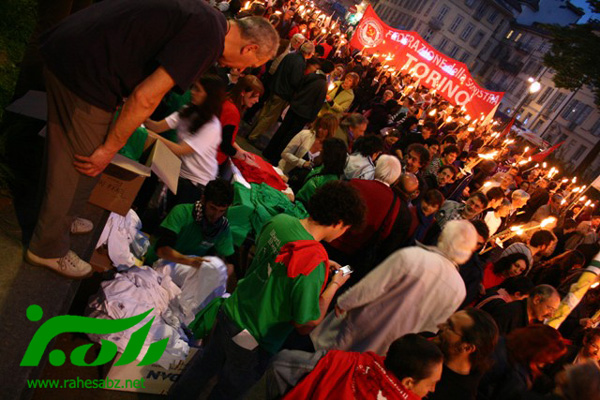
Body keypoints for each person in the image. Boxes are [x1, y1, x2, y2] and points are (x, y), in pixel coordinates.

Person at [26, 0, 279, 278]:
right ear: (249, 48)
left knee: (72, 156)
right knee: (85, 164)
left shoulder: (211, 20)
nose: (241, 70)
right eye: (249, 65)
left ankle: (59, 220)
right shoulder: (208, 38)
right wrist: (110, 148)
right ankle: (48, 247)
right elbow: (146, 96)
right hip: (88, 72)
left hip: (78, 51)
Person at [170, 181, 366, 399]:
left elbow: (277, 257)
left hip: (231, 310)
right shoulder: (314, 259)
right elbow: (306, 323)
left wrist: (321, 265)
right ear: (339, 223)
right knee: (227, 392)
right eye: (346, 228)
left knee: (201, 368)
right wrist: (335, 284)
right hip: (255, 338)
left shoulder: (280, 221)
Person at [310, 220, 478, 355]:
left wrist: (345, 302)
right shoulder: (459, 289)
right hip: (395, 345)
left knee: (326, 359)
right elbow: (433, 327)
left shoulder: (413, 256)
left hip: (364, 323)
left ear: (443, 237)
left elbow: (371, 286)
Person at [261, 334, 444, 400]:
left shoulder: (344, 363)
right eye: (431, 383)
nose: (433, 389)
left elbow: (282, 363)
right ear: (408, 382)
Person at [144, 75, 226, 207]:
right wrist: (140, 116)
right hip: (181, 173)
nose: (192, 92)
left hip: (197, 181)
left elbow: (180, 150)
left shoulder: (212, 126)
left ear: (210, 96)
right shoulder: (188, 111)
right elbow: (157, 127)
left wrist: (149, 134)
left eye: (198, 90)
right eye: (194, 87)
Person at [325, 155, 403, 280]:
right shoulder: (395, 202)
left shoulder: (355, 183)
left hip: (331, 241)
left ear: (377, 168)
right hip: (355, 257)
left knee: (317, 271)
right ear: (396, 178)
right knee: (337, 280)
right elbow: (384, 232)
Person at [144, 179, 234, 266]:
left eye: (221, 211)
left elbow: (230, 262)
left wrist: (225, 268)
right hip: (157, 265)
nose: (215, 215)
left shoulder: (222, 227)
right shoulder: (182, 212)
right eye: (212, 208)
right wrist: (189, 261)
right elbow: (162, 250)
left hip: (188, 271)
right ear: (203, 199)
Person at [264, 61, 335, 166]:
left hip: (294, 106)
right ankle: (276, 157)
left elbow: (298, 88)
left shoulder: (311, 75)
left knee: (283, 129)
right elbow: (318, 103)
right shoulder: (323, 84)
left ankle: (268, 151)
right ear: (329, 72)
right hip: (304, 113)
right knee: (290, 136)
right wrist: (312, 118)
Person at [248, 41, 314, 143]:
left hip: (275, 87)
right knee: (270, 117)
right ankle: (253, 136)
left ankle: (251, 131)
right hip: (283, 92)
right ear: (309, 53)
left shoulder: (291, 55)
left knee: (264, 112)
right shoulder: (300, 62)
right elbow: (295, 80)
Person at [478, 325, 567, 400]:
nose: (552, 361)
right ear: (539, 350)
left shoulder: (498, 341)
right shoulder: (518, 375)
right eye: (552, 356)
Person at [428, 309, 499, 400]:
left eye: (450, 327)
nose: (440, 326)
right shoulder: (427, 341)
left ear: (467, 348)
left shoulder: (458, 394)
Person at [217, 75, 264, 178]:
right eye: (254, 96)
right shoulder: (232, 111)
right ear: (243, 92)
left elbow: (225, 135)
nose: (257, 100)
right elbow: (225, 145)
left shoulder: (228, 99)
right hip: (213, 159)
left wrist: (240, 150)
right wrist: (243, 157)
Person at [488, 284, 561, 335]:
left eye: (554, 311)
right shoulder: (509, 312)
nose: (551, 315)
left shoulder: (537, 324)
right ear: (537, 300)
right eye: (550, 309)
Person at [295, 138, 347, 205]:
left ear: (329, 155)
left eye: (323, 149)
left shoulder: (331, 183)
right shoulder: (321, 167)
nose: (320, 150)